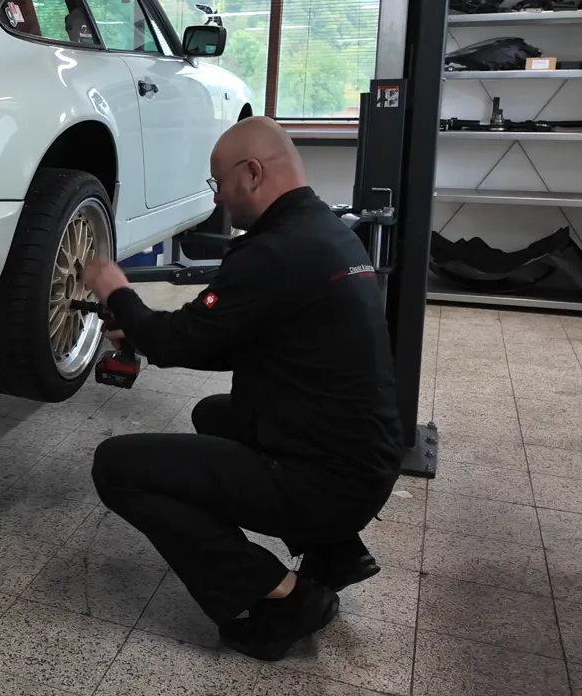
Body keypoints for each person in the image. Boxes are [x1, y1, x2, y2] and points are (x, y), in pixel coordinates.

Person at [79, 116, 403, 662]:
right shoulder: (327, 233)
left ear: (251, 174)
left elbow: (182, 339)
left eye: (219, 183)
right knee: (216, 414)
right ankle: (336, 551)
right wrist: (142, 331)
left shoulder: (271, 252)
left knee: (117, 467)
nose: (220, 199)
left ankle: (286, 595)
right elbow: (241, 343)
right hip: (364, 461)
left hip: (324, 481)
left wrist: (120, 293)